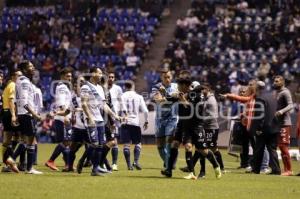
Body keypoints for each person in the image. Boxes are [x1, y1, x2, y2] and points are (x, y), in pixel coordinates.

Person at [161, 73, 222, 180]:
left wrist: (183, 100)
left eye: (179, 85)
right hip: (184, 124)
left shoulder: (195, 95)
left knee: (203, 151)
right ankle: (181, 172)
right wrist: (164, 93)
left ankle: (216, 166)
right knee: (180, 145)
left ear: (184, 85)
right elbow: (170, 98)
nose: (178, 87)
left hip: (196, 126)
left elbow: (193, 109)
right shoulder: (180, 94)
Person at [80, 67, 120, 176]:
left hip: (100, 119)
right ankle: (88, 165)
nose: (101, 75)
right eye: (99, 73)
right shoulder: (85, 87)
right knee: (95, 143)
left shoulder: (100, 88)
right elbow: (83, 103)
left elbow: (104, 106)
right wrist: (90, 117)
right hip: (91, 120)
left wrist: (114, 115)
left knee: (101, 145)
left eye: (102, 73)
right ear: (93, 73)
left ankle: (96, 167)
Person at [16, 61, 43, 174]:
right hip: (27, 114)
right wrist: (34, 114)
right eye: (30, 66)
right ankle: (29, 168)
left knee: (25, 141)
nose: (33, 68)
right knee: (31, 141)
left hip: (22, 114)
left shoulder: (20, 80)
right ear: (25, 69)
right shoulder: (25, 82)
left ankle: (11, 161)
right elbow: (24, 101)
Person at [249, 81, 281, 175]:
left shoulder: (259, 98)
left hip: (264, 128)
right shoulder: (272, 97)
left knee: (259, 149)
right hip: (274, 127)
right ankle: (276, 169)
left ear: (257, 88)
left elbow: (260, 115)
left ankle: (256, 169)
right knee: (272, 149)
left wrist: (258, 128)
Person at [45, 67, 73, 171]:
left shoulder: (65, 87)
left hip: (63, 117)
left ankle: (67, 164)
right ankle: (51, 160)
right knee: (66, 141)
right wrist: (65, 116)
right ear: (62, 77)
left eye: (70, 76)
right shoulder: (62, 87)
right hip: (62, 118)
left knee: (67, 142)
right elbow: (61, 104)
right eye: (67, 76)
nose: (70, 78)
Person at [151, 69, 178, 170]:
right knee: (159, 145)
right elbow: (159, 101)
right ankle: (168, 162)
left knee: (169, 142)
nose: (167, 79)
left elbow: (176, 98)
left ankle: (169, 165)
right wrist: (170, 97)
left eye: (169, 77)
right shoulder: (156, 87)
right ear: (161, 78)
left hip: (172, 118)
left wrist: (165, 95)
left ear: (171, 77)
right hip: (160, 119)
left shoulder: (175, 86)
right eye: (165, 77)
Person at [120, 81, 148, 170]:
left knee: (126, 145)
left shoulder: (122, 96)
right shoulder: (139, 97)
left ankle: (129, 165)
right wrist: (146, 121)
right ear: (133, 86)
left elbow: (121, 108)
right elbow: (145, 110)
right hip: (135, 123)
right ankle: (136, 162)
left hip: (125, 122)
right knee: (138, 143)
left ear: (125, 87)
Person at [1, 68, 22, 173]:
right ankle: (8, 161)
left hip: (7, 112)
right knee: (14, 139)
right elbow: (11, 101)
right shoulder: (13, 85)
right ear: (13, 76)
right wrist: (14, 115)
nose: (21, 78)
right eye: (19, 76)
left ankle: (8, 162)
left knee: (13, 138)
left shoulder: (8, 86)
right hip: (9, 113)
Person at [273, 75, 294, 176]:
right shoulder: (277, 93)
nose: (274, 83)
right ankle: (285, 169)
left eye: (277, 81)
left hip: (285, 123)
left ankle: (289, 170)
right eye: (274, 81)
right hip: (278, 123)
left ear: (282, 82)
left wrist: (281, 111)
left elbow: (291, 105)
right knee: (281, 147)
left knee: (284, 146)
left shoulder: (285, 92)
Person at [107, 71, 123, 171]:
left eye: (112, 77)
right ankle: (100, 162)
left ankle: (114, 163)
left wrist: (121, 114)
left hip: (114, 117)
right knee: (102, 141)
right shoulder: (101, 88)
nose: (111, 78)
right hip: (102, 117)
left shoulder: (118, 89)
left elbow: (121, 102)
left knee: (114, 141)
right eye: (109, 77)